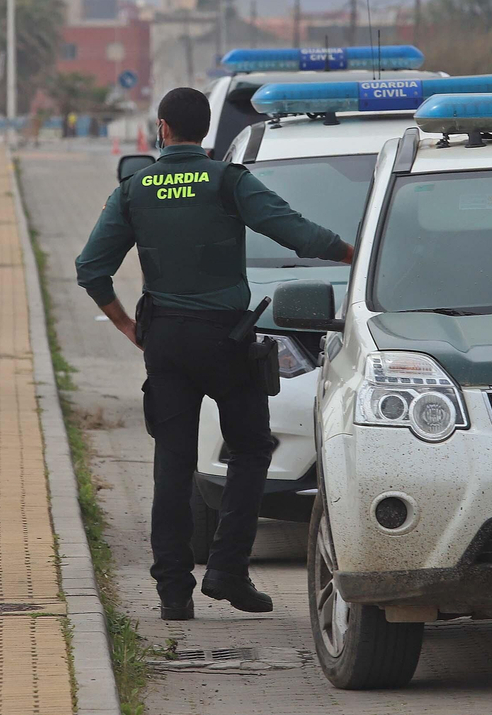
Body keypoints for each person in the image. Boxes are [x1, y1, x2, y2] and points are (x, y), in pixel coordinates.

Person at [75, 87, 354, 620]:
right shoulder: (229, 181)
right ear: (205, 130)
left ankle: (173, 593)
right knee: (249, 449)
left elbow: (92, 268)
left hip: (165, 342)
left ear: (162, 128)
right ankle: (227, 569)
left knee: (172, 465)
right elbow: (296, 232)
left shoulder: (134, 189)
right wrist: (354, 253)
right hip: (226, 341)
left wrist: (129, 326)